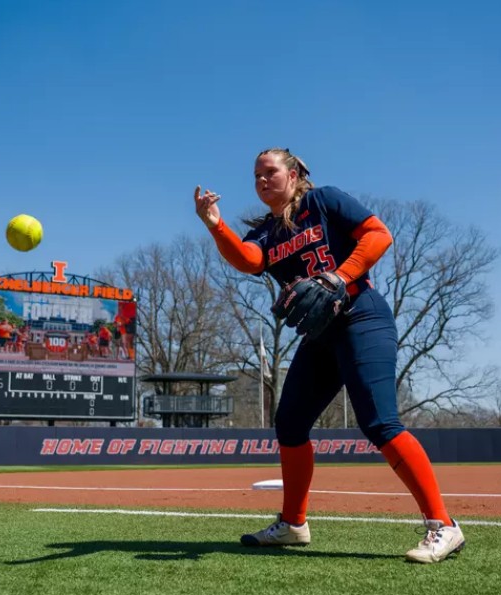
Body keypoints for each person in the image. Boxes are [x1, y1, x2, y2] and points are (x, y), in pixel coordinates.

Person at [193, 147, 465, 563]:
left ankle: (443, 525)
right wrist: (216, 226)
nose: (261, 180)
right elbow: (249, 260)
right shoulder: (267, 231)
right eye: (256, 176)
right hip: (321, 334)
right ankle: (293, 524)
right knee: (290, 423)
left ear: (294, 174)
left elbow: (378, 234)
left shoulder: (323, 201)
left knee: (380, 423)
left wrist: (338, 275)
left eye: (270, 172)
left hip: (361, 315)